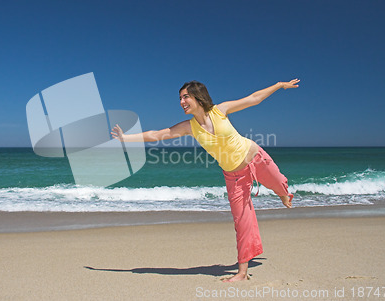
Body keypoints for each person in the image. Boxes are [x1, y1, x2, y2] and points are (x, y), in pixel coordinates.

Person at [111, 79, 300, 282]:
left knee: (279, 183)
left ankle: (282, 194)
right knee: (241, 221)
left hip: (255, 157)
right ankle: (242, 271)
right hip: (234, 176)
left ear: (198, 96)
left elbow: (253, 98)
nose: (182, 101)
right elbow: (158, 134)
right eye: (180, 98)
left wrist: (279, 85)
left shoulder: (220, 110)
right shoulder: (189, 127)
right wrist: (125, 138)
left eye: (186, 97)